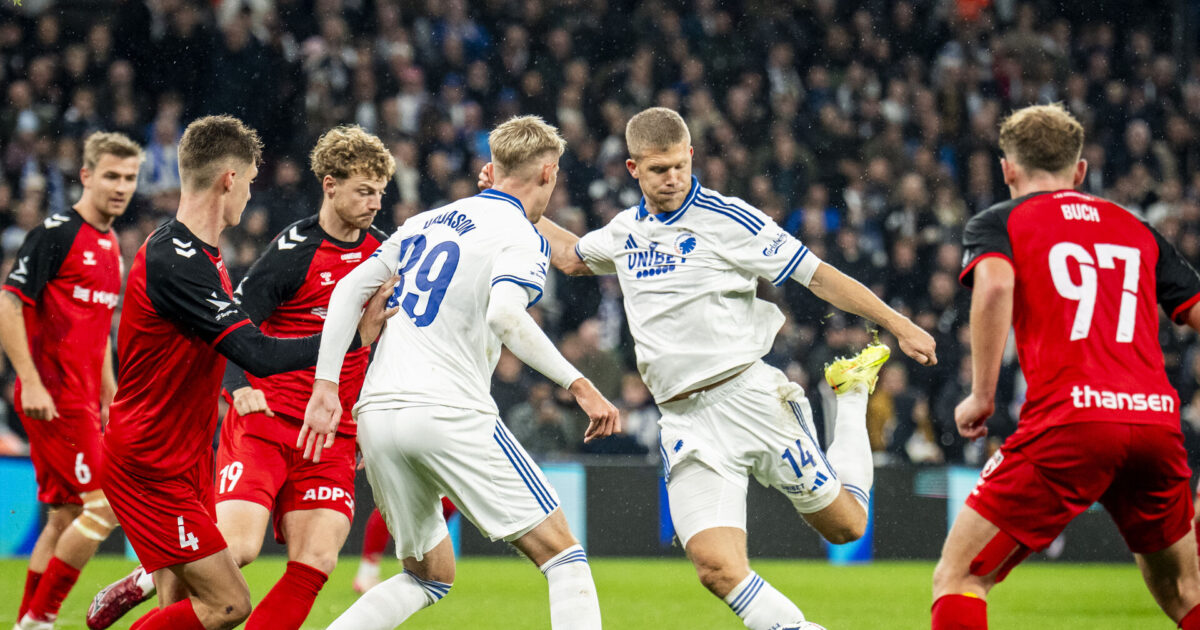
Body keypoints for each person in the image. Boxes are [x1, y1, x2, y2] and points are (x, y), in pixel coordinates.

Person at [522, 106, 937, 629]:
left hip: (750, 399)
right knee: (717, 569)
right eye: (658, 170)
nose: (672, 178)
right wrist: (513, 202)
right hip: (685, 423)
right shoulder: (625, 231)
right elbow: (569, 255)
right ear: (633, 170)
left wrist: (898, 323)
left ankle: (850, 399)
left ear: (691, 155)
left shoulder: (728, 218)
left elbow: (818, 275)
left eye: (679, 165)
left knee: (846, 528)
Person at [301, 115, 619, 629]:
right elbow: (506, 315)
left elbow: (347, 290)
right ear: (548, 173)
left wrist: (326, 384)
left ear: (491, 169)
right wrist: (579, 383)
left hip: (377, 412)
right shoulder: (522, 236)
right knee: (564, 557)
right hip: (449, 408)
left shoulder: (428, 220)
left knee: (427, 575)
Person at [86, 125, 395, 630]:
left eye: (379, 192)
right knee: (231, 586)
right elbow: (250, 346)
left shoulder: (206, 255)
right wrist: (346, 341)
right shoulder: (194, 260)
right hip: (173, 450)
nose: (253, 193)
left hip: (214, 447)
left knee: (299, 565)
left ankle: (147, 580)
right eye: (251, 181)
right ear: (230, 180)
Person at [934, 103, 1200, 629]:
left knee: (960, 577)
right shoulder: (1137, 230)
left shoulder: (1002, 221)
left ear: (1008, 168)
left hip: (1072, 423)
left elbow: (993, 286)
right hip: (1153, 423)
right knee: (1186, 593)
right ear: (1080, 172)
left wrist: (981, 396)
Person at [1, 131, 142, 630]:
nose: (121, 187)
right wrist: (31, 382)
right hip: (54, 397)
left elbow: (98, 330)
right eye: (110, 176)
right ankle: (42, 618)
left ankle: (26, 623)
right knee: (105, 506)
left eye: (129, 178)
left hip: (83, 397)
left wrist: (110, 394)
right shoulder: (57, 232)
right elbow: (9, 302)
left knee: (63, 518)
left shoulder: (110, 245)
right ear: (86, 175)